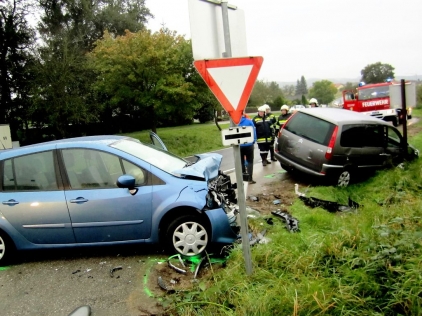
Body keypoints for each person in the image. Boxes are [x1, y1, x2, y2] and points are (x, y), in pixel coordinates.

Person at [238, 111, 257, 184]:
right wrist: (253, 141)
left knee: (241, 162)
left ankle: (243, 179)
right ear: (243, 114)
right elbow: (253, 131)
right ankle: (250, 179)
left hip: (239, 146)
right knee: (250, 161)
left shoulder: (234, 123)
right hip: (249, 144)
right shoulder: (249, 121)